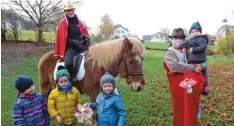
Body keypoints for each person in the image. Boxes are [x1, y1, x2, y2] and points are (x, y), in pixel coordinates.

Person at [163, 28, 205, 126]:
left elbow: (198, 59)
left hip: (190, 84)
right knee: (180, 108)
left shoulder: (185, 50)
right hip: (178, 85)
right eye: (176, 37)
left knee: (191, 108)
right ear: (172, 38)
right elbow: (174, 66)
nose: (178, 40)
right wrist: (193, 67)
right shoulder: (169, 52)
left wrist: (200, 66)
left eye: (181, 38)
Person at [54, 1, 91, 79]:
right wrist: (76, 44)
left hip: (82, 47)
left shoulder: (79, 22)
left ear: (74, 10)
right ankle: (71, 81)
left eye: (71, 10)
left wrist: (87, 43)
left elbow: (86, 34)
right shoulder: (63, 22)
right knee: (68, 64)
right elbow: (63, 38)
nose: (70, 12)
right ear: (65, 12)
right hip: (71, 48)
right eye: (68, 11)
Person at [185, 21, 209, 96]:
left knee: (203, 75)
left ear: (200, 32)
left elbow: (203, 47)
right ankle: (192, 88)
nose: (194, 33)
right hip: (191, 61)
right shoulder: (189, 41)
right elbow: (185, 45)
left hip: (200, 61)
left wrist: (194, 50)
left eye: (197, 31)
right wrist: (183, 49)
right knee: (192, 76)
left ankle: (205, 88)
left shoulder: (202, 39)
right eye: (192, 32)